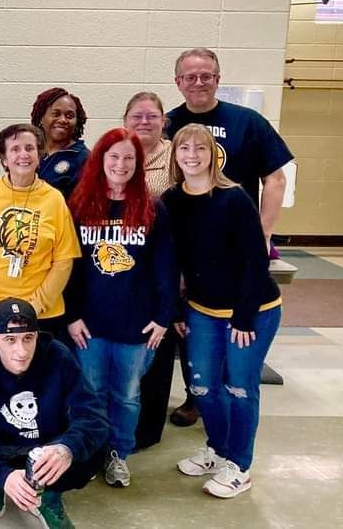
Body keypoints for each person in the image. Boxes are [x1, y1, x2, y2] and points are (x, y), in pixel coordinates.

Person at [165, 47, 294, 427]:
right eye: (190, 76)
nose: (199, 82)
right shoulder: (169, 124)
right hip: (193, 255)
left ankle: (231, 405)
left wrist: (262, 232)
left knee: (238, 330)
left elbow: (276, 178)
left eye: (207, 75)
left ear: (218, 79)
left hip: (237, 251)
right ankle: (197, 397)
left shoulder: (247, 122)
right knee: (196, 327)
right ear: (178, 82)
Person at [164, 124, 282, 499]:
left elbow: (254, 260)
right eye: (185, 148)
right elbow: (174, 264)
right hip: (202, 309)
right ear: (176, 155)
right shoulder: (171, 201)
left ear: (213, 154)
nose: (193, 154)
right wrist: (178, 311)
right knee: (202, 386)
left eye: (201, 148)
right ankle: (217, 449)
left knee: (239, 387)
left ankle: (240, 465)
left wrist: (244, 316)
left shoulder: (234, 198)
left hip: (252, 310)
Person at [65, 128, 178, 487]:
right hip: (90, 326)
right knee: (92, 392)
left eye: (129, 157)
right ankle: (92, 451)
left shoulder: (151, 208)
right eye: (113, 156)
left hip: (137, 326)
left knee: (127, 397)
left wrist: (163, 318)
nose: (121, 164)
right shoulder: (80, 205)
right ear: (100, 160)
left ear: (138, 163)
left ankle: (118, 454)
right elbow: (68, 267)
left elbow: (165, 269)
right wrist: (71, 316)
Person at [0, 298, 107, 529]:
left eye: (28, 338)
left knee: (93, 450)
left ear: (37, 335)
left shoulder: (58, 356)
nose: (21, 351)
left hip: (45, 445)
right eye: (10, 339)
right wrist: (2, 476)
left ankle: (48, 496)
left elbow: (93, 415)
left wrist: (66, 449)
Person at [0, 124, 81, 356]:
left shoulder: (54, 199)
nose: (23, 155)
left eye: (30, 148)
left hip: (38, 314)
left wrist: (32, 307)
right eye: (15, 149)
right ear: (3, 159)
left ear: (40, 155)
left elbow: (63, 261)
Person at [122, 91, 185, 449]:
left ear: (164, 121)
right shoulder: (118, 153)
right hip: (124, 269)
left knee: (157, 347)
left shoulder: (178, 155)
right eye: (137, 116)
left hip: (166, 263)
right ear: (125, 120)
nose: (144, 122)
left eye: (151, 116)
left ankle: (146, 430)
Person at [31, 87, 89, 198]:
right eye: (56, 114)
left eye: (70, 116)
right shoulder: (31, 152)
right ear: (41, 118)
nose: (63, 120)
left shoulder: (83, 158)